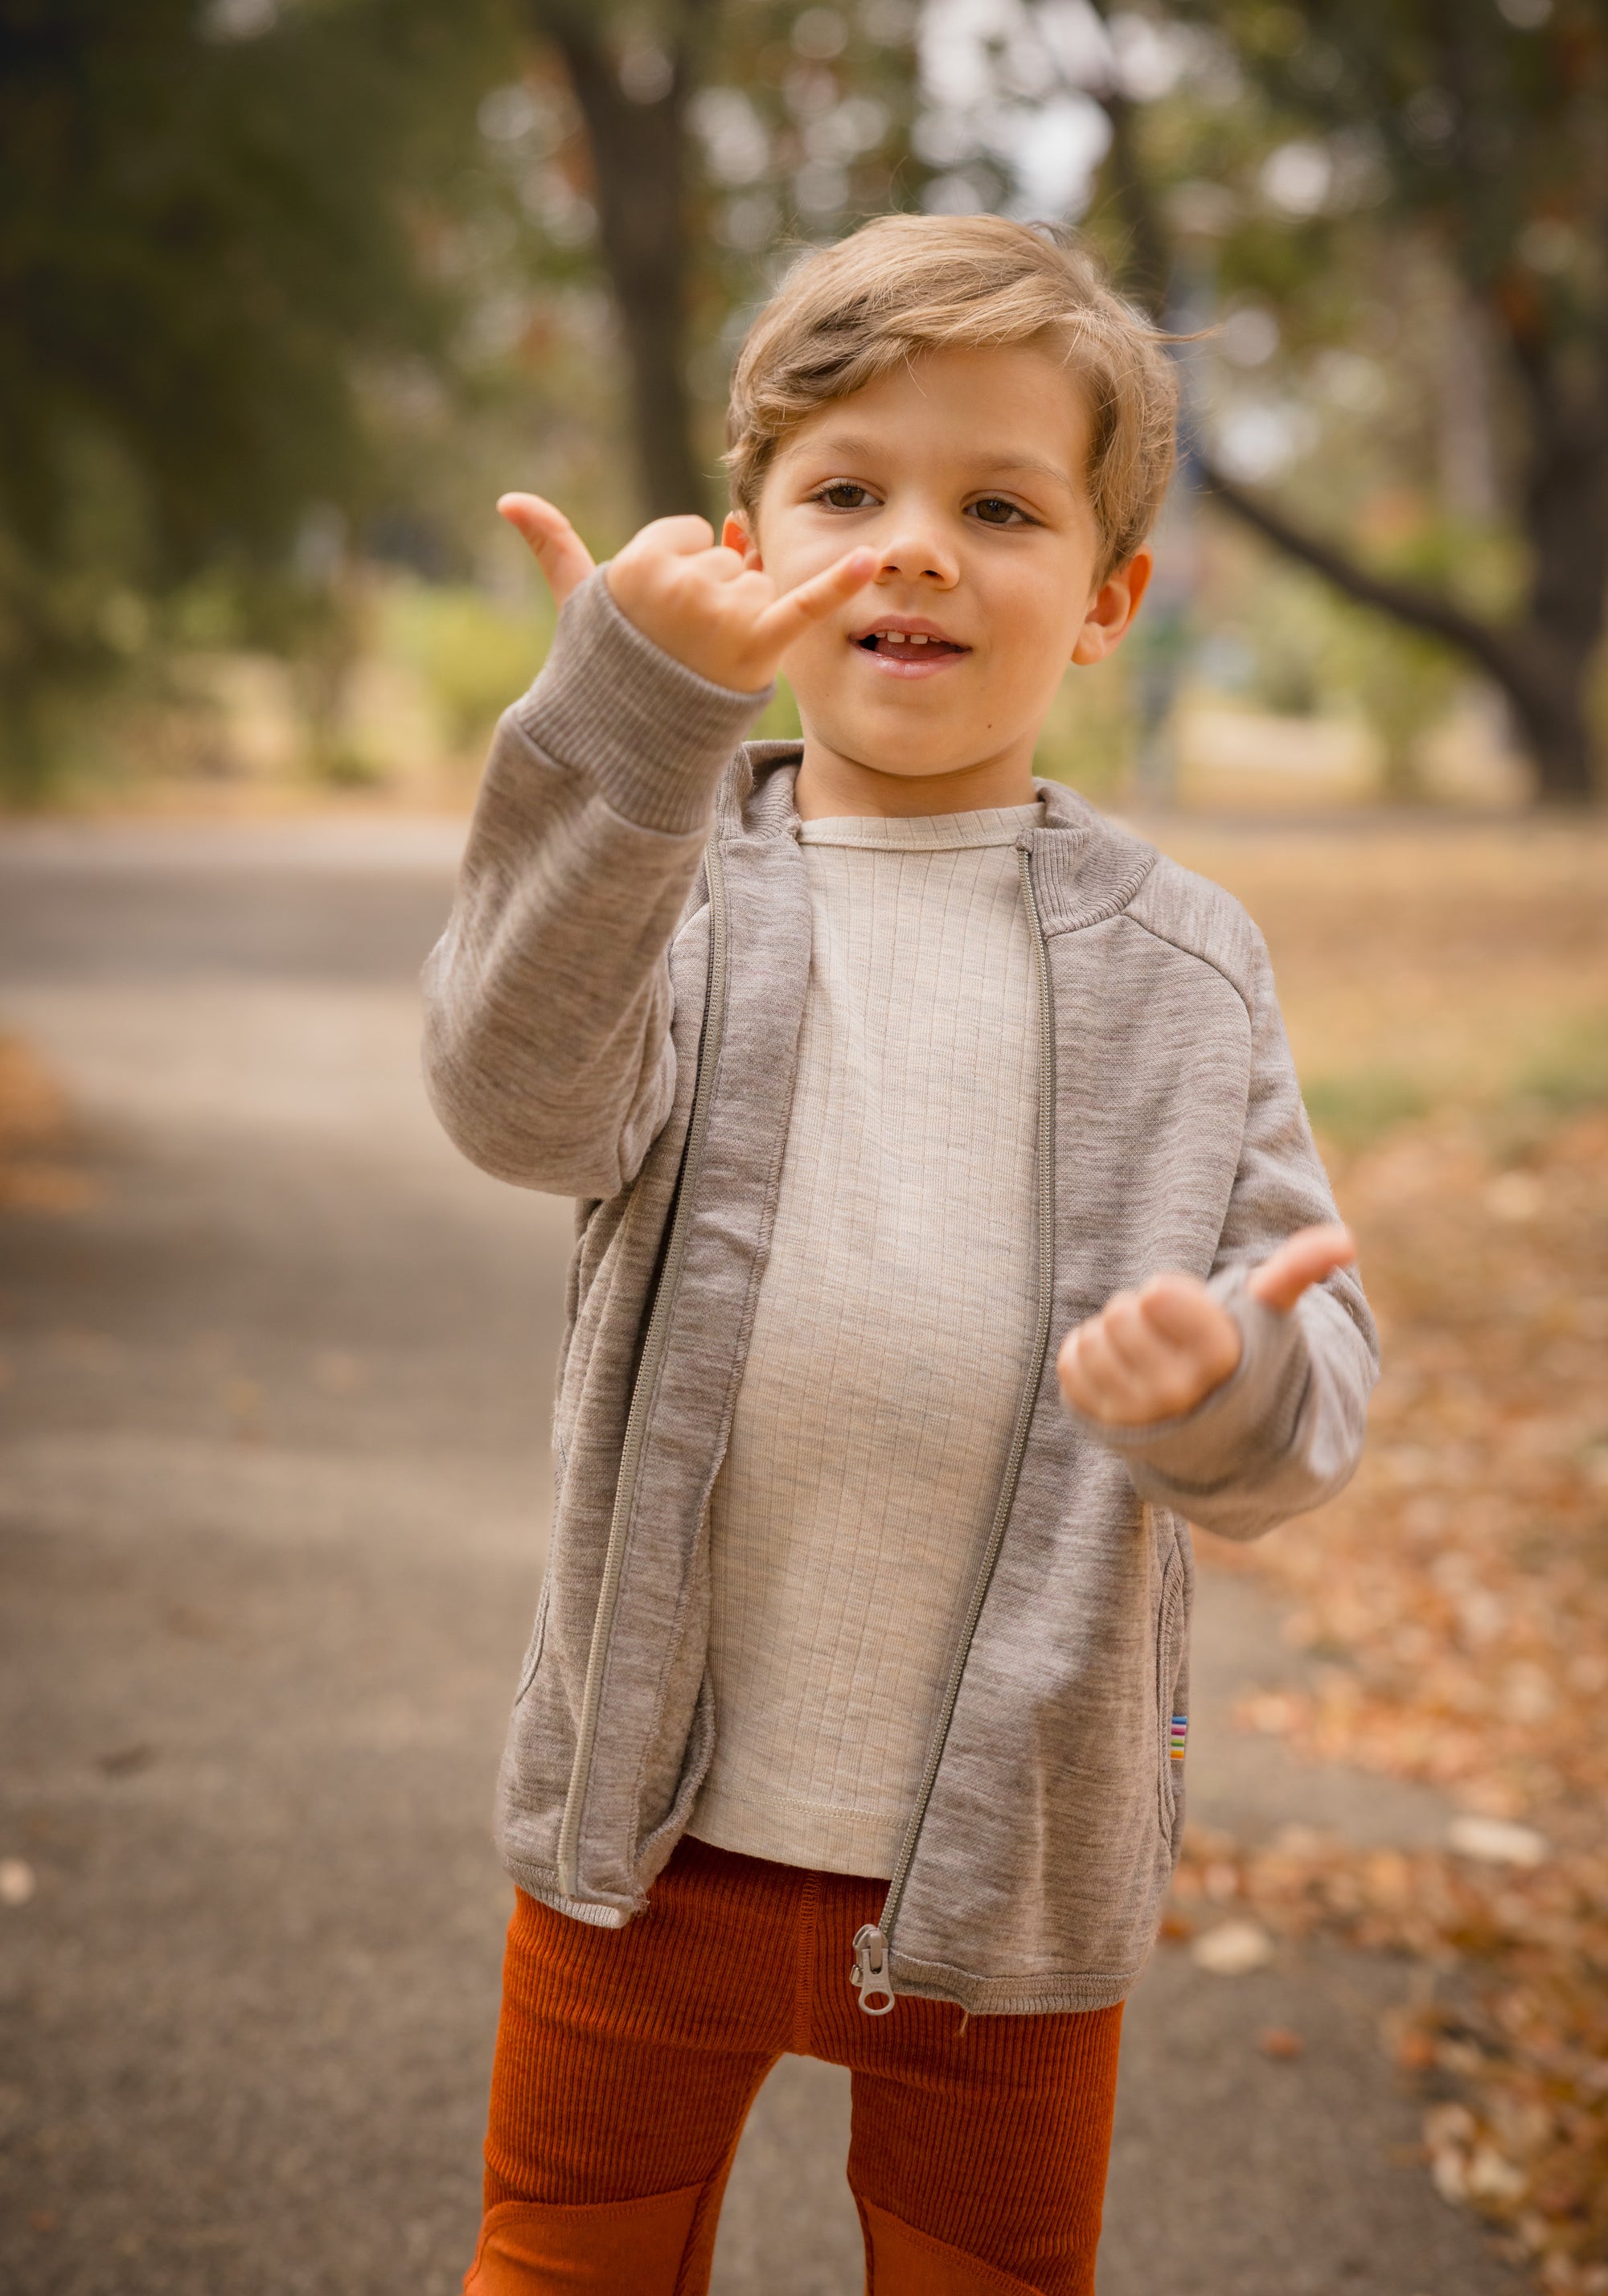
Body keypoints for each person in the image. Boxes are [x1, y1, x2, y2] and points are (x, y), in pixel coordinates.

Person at [422, 213, 1377, 2296]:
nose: (916, 546)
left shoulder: (1191, 974)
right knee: (561, 2263)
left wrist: (1224, 1381)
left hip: (1008, 1878)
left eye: (999, 503)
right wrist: (626, 731)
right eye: (848, 493)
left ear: (1110, 600)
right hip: (642, 1837)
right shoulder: (682, 887)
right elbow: (512, 1095)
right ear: (756, 547)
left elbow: (1319, 1388)